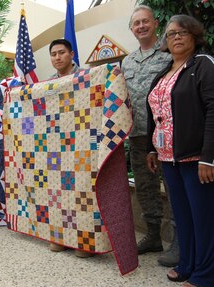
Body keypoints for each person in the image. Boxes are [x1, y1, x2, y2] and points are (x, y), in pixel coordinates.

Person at [146, 14, 214, 287]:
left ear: (194, 36)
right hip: (168, 158)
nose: (175, 37)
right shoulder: (163, 72)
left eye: (182, 32)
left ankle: (206, 275)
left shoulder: (204, 65)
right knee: (183, 216)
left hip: (196, 158)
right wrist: (152, 149)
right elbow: (155, 113)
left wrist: (209, 158)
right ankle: (187, 264)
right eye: (171, 33)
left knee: (203, 219)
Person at [121, 5, 179, 267]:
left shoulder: (169, 55)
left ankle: (180, 240)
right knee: (145, 187)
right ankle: (154, 235)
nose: (141, 26)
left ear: (155, 23)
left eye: (145, 22)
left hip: (167, 133)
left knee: (174, 185)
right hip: (139, 135)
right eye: (136, 24)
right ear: (132, 30)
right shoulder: (127, 61)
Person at [47, 39, 94, 258]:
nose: (57, 57)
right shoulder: (47, 85)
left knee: (82, 191)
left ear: (71, 53)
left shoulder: (86, 77)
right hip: (56, 145)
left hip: (82, 142)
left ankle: (84, 242)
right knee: (58, 190)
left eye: (61, 53)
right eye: (53, 54)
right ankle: (62, 237)